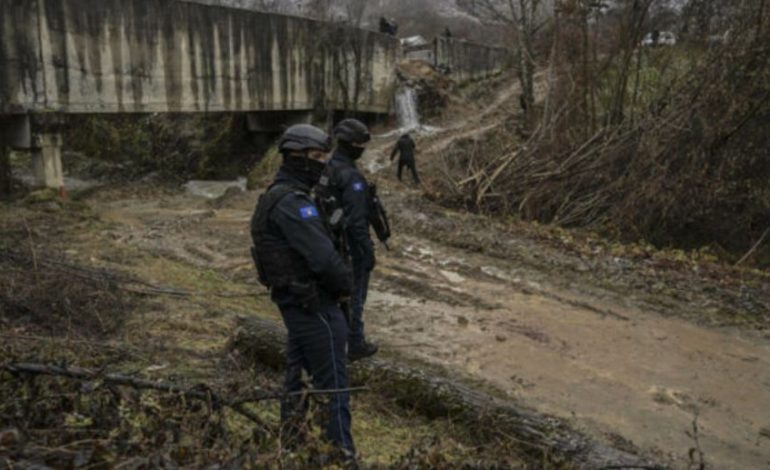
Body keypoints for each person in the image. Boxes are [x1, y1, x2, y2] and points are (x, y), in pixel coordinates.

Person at [249, 124, 355, 459]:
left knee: (297, 385)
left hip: (300, 305)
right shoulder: (292, 203)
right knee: (333, 390)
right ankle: (340, 458)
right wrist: (346, 290)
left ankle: (292, 449)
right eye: (317, 156)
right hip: (315, 307)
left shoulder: (280, 197)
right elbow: (325, 260)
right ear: (296, 157)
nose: (323, 163)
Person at [322, 119, 379, 362]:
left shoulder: (326, 169)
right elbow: (357, 222)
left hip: (330, 244)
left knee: (336, 295)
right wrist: (367, 253)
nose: (363, 148)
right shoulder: (351, 177)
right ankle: (354, 343)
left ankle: (336, 340)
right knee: (355, 294)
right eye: (360, 144)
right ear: (351, 145)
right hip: (350, 247)